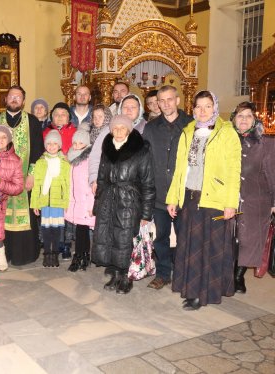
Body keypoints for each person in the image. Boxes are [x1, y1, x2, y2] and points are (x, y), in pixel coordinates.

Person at [166, 91, 241, 310]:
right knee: (189, 247)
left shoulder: (226, 133)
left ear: (215, 107)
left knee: (209, 249)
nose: (202, 111)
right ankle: (191, 290)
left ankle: (203, 293)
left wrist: (230, 203)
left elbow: (234, 171)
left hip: (214, 199)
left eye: (207, 106)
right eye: (198, 106)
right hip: (189, 198)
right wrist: (173, 198)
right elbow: (180, 169)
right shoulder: (188, 131)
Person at [0, 86, 44, 266]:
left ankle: (26, 254)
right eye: (11, 96)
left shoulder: (32, 121)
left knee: (27, 215)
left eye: (18, 97)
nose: (14, 99)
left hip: (24, 178)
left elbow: (38, 149)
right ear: (5, 99)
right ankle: (2, 254)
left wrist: (31, 175)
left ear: (23, 101)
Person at [92, 115, 155, 295]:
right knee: (110, 238)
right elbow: (102, 178)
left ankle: (126, 277)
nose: (118, 131)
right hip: (108, 200)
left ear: (129, 129)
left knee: (125, 239)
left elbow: (148, 184)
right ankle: (116, 274)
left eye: (122, 127)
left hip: (129, 201)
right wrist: (98, 204)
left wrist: (146, 214)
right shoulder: (108, 148)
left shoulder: (140, 150)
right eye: (115, 128)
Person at [142, 85, 192, 290]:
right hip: (159, 193)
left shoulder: (191, 125)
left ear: (178, 100)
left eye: (169, 99)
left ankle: (183, 274)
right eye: (161, 101)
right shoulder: (151, 128)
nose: (165, 104)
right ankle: (163, 273)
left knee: (185, 237)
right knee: (161, 236)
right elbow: (144, 160)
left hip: (185, 194)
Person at [232, 102, 275, 293]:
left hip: (256, 199)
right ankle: (230, 273)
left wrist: (274, 202)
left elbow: (273, 174)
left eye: (248, 116)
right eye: (240, 115)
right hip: (230, 198)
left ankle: (238, 276)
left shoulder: (267, 143)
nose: (243, 119)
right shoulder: (226, 140)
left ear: (254, 120)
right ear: (233, 119)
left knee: (249, 240)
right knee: (232, 238)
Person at [31, 130, 71, 268]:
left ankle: (55, 254)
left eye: (55, 143)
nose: (52, 146)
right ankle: (47, 253)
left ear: (59, 145)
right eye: (49, 143)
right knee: (46, 230)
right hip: (44, 203)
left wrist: (66, 202)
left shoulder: (64, 164)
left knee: (57, 230)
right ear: (45, 145)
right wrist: (35, 203)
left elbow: (67, 185)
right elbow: (36, 184)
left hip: (58, 202)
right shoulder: (40, 163)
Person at [0, 125, 24, 270]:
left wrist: (1, 183)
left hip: (0, 201)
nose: (0, 140)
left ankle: (0, 256)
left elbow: (18, 187)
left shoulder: (15, 160)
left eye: (4, 137)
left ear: (8, 140)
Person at [64, 129, 95, 272]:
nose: (76, 146)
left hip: (86, 202)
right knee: (79, 231)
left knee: (83, 231)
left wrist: (92, 205)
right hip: (75, 202)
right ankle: (80, 255)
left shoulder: (89, 160)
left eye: (80, 143)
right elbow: (69, 183)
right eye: (74, 143)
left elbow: (92, 185)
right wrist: (68, 203)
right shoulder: (71, 159)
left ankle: (83, 255)